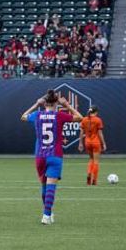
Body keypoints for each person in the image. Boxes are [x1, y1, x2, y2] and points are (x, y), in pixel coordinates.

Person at [21, 90, 83, 225]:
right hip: (55, 154)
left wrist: (36, 104)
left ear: (44, 104)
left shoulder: (37, 115)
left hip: (40, 155)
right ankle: (46, 215)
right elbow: (80, 117)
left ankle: (47, 213)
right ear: (56, 103)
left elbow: (23, 116)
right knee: (51, 187)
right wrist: (67, 105)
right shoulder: (59, 115)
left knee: (44, 185)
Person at [79, 106, 107, 185]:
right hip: (95, 142)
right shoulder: (98, 120)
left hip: (87, 142)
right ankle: (94, 180)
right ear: (96, 112)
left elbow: (81, 132)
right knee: (96, 161)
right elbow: (100, 133)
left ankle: (89, 174)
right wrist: (103, 143)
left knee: (91, 159)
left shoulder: (84, 119)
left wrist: (80, 143)